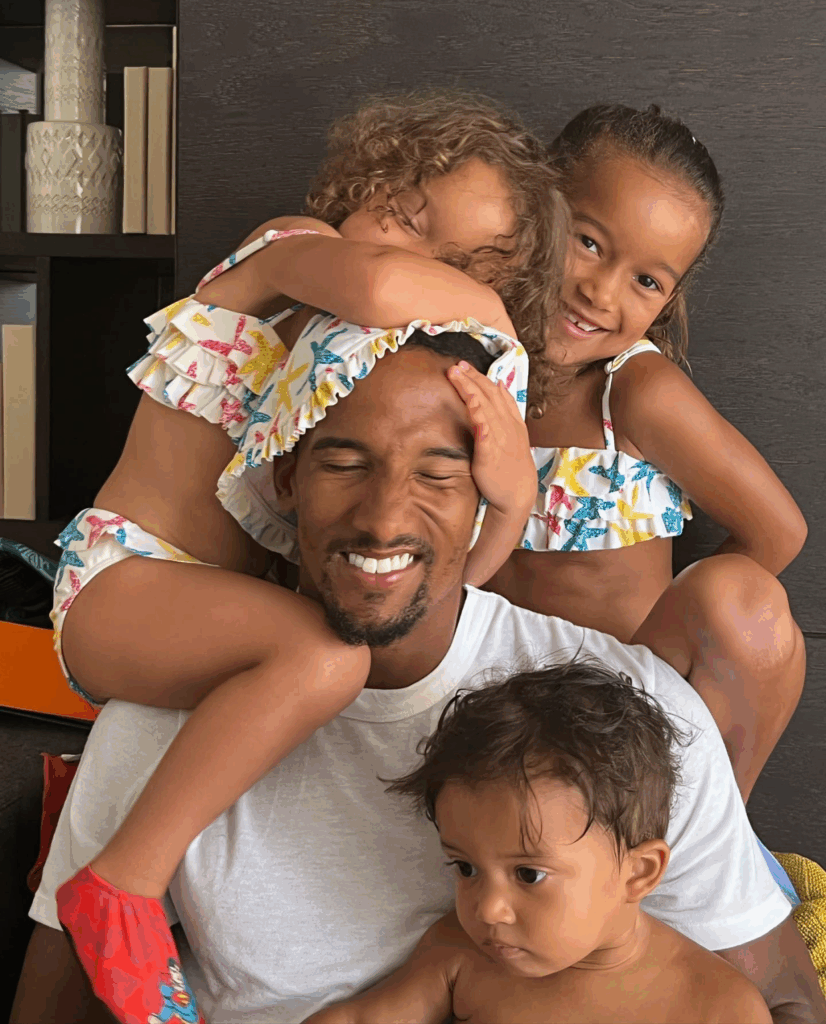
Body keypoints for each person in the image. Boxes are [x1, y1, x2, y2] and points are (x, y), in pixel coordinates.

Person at [14, 338, 825, 1023]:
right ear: (287, 478)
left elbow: (783, 999)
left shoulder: (623, 723)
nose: (383, 517)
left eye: (439, 473)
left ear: (488, 496)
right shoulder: (164, 722)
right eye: (344, 463)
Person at [48, 91, 557, 1024]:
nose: (412, 256)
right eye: (406, 216)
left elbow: (451, 584)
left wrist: (514, 495)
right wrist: (495, 313)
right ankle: (120, 888)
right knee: (325, 658)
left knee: (341, 648)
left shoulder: (340, 366)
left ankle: (137, 896)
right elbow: (382, 288)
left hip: (203, 612)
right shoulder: (288, 251)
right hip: (119, 578)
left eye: (453, 261)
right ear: (366, 184)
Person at [481, 103, 808, 803]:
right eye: (589, 241)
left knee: (743, 600)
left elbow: (779, 532)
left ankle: (713, 832)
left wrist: (684, 628)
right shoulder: (465, 347)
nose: (600, 292)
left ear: (670, 300)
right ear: (536, 205)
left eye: (647, 281)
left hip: (611, 715)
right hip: (479, 702)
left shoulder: (635, 393)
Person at [303, 661, 773, 1024]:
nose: (488, 909)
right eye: (466, 868)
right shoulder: (461, 952)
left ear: (639, 872)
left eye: (528, 874)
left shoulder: (717, 1007)